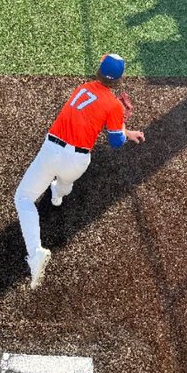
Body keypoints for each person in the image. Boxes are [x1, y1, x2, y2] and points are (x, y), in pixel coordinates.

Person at [14, 53, 145, 289]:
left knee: (24, 198)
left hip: (52, 150)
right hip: (77, 161)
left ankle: (35, 252)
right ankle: (58, 194)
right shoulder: (114, 105)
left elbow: (90, 114)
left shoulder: (83, 88)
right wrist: (124, 128)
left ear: (98, 70)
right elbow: (115, 142)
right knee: (65, 181)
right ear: (119, 79)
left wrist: (122, 125)